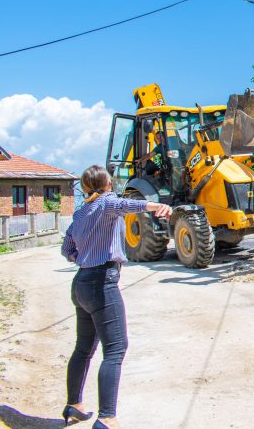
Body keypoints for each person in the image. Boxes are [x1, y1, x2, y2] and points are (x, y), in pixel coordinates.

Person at [61, 165, 172, 429]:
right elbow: (127, 205)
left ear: (84, 187)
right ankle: (107, 417)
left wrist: (85, 258)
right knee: (115, 349)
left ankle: (74, 405)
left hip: (81, 282)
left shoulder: (81, 212)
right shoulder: (107, 203)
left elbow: (67, 249)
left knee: (83, 348)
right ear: (108, 185)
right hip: (102, 283)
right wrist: (157, 206)